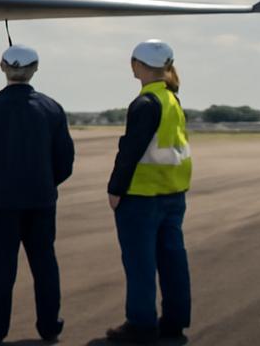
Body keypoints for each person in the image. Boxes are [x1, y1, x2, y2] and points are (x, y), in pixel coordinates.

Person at [0, 45, 74, 345]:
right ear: (35, 69)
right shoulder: (52, 109)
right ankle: (50, 325)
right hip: (40, 199)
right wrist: (45, 182)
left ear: (2, 67)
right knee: (44, 264)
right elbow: (65, 160)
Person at [104, 39, 192, 344]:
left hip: (142, 196)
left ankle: (141, 325)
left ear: (136, 65)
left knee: (140, 263)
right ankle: (175, 321)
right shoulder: (172, 100)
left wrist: (116, 189)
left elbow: (130, 151)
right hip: (173, 193)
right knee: (172, 261)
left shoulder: (145, 103)